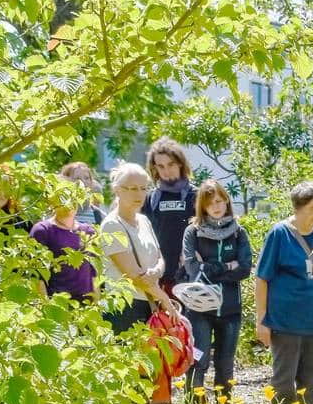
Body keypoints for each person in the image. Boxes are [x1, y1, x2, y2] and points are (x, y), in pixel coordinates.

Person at [255, 182, 313, 404]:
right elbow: (262, 278)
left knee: (310, 379)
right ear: (298, 208)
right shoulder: (280, 234)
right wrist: (262, 321)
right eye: (312, 207)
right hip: (285, 321)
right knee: (284, 381)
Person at [180, 180, 252, 404]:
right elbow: (192, 269)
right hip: (199, 308)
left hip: (230, 310)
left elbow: (244, 268)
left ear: (227, 201)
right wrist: (226, 266)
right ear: (203, 206)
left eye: (220, 201)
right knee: (199, 361)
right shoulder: (192, 232)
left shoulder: (239, 232)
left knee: (225, 364)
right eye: (211, 203)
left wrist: (211, 266)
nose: (217, 206)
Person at [99, 162, 178, 333]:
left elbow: (159, 258)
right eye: (133, 188)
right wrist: (165, 299)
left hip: (149, 303)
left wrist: (155, 272)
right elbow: (134, 276)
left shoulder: (144, 221)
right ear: (117, 189)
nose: (140, 194)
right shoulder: (112, 225)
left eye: (144, 188)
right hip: (123, 307)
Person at [142, 137, 197, 295]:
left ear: (180, 163)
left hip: (190, 278)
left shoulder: (196, 196)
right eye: (161, 166)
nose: (166, 171)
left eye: (171, 164)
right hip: (158, 278)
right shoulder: (149, 199)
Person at [29, 177, 97, 302]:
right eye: (62, 198)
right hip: (57, 305)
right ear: (52, 201)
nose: (67, 203)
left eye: (72, 197)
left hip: (86, 307)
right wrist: (46, 308)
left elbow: (94, 274)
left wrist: (96, 306)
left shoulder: (88, 231)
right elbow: (37, 277)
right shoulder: (42, 230)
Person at [59, 161, 106, 226]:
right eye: (77, 178)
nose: (83, 182)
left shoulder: (98, 215)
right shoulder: (56, 211)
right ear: (65, 181)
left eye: (86, 178)